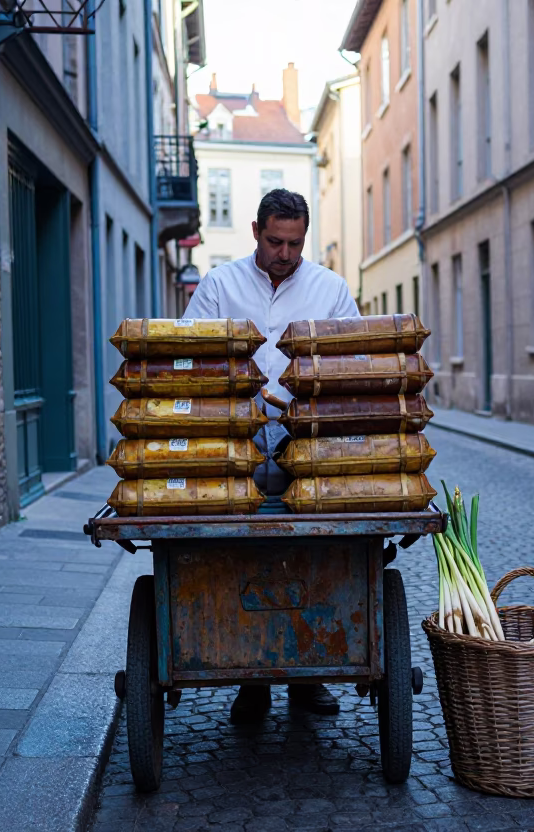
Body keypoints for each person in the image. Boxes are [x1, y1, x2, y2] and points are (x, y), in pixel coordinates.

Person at [184, 189, 359, 723]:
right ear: (256, 230)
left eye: (296, 243)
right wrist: (241, 393)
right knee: (239, 554)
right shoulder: (220, 285)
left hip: (305, 443)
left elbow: (351, 360)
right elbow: (193, 354)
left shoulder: (330, 288)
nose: (285, 253)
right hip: (232, 444)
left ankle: (310, 676)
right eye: (276, 241)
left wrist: (305, 398)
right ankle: (251, 679)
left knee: (313, 553)